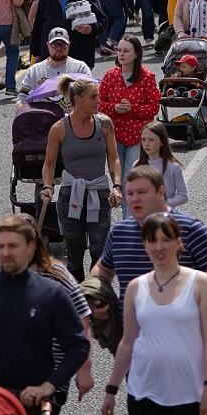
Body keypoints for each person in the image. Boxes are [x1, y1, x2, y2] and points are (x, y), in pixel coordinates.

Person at [0, 213, 88, 415]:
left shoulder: (51, 292)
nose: (5, 252)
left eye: (13, 246)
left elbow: (78, 345)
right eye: (0, 246)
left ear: (30, 247)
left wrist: (50, 386)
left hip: (35, 401)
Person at [100, 212, 207, 415]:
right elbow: (128, 342)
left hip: (189, 393)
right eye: (152, 241)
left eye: (166, 239)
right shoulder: (135, 287)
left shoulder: (202, 284)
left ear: (178, 243)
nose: (159, 247)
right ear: (145, 246)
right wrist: (111, 390)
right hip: (143, 392)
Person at [92, 165, 207, 330]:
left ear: (161, 192)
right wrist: (98, 296)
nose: (134, 199)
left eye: (142, 192)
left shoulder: (189, 229)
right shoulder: (119, 232)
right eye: (130, 194)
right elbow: (102, 269)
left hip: (182, 338)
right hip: (131, 338)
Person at [44, 76, 123, 278]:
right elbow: (49, 163)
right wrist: (47, 186)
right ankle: (76, 300)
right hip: (71, 195)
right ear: (78, 98)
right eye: (93, 97)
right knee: (74, 252)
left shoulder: (104, 124)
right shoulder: (59, 128)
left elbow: (113, 158)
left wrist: (116, 186)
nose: (99, 101)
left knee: (99, 250)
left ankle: (97, 298)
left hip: (99, 192)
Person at [99, 36, 160, 174]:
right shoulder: (110, 75)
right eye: (119, 50)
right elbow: (99, 104)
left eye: (126, 51)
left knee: (131, 175)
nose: (121, 54)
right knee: (117, 177)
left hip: (138, 136)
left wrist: (132, 108)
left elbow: (154, 107)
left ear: (136, 54)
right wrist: (113, 108)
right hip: (114, 134)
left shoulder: (147, 77)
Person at [140, 123, 189, 209]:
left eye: (151, 139)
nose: (146, 144)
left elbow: (183, 195)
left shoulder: (173, 167)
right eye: (143, 139)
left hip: (167, 215)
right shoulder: (137, 165)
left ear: (162, 142)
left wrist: (165, 203)